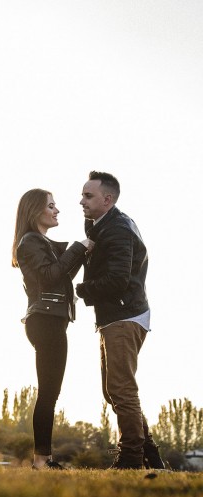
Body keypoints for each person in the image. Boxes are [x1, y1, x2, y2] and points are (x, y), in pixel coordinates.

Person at [76, 171, 166, 470]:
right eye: (83, 195)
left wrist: (80, 289)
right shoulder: (104, 225)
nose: (81, 201)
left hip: (125, 315)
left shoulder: (117, 229)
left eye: (88, 196)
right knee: (113, 389)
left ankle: (130, 459)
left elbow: (117, 279)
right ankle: (149, 454)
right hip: (116, 315)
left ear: (107, 199)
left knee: (121, 388)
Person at [12, 189, 93, 469]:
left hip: (49, 320)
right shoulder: (30, 241)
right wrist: (78, 249)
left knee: (50, 391)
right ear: (35, 211)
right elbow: (49, 278)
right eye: (51, 205)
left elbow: (60, 278)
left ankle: (43, 459)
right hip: (45, 322)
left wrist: (80, 255)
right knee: (48, 392)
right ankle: (41, 461)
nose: (57, 210)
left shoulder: (39, 242)